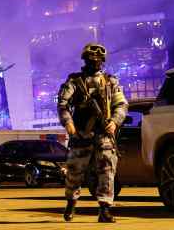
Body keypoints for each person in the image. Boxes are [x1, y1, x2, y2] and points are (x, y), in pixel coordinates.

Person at [57, 43, 128, 223]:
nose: (95, 63)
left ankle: (105, 209)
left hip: (103, 135)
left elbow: (121, 104)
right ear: (85, 60)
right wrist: (69, 124)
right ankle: (71, 203)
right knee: (74, 173)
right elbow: (63, 105)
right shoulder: (74, 82)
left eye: (98, 60)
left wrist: (114, 122)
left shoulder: (111, 81)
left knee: (107, 172)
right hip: (81, 134)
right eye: (91, 60)